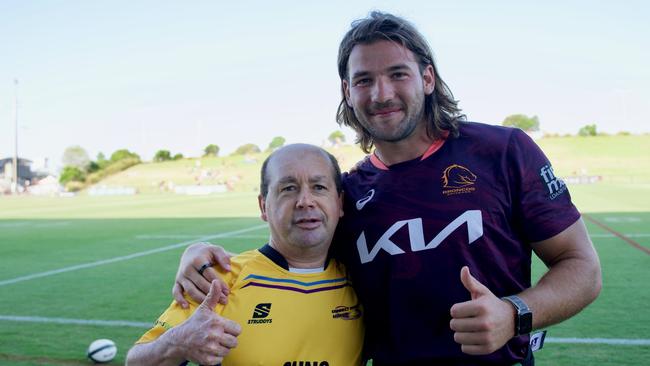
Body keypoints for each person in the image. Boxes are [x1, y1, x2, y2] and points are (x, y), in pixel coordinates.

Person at [173, 12, 602, 366]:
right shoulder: (347, 194)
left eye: (398, 74)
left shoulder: (503, 151)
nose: (381, 94)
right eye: (363, 80)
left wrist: (514, 313)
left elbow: (582, 267)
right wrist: (200, 253)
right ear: (347, 91)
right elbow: (290, 252)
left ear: (427, 78)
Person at [126, 144, 364, 365]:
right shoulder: (218, 280)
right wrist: (176, 343)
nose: (305, 201)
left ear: (339, 202)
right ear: (263, 206)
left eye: (319, 187)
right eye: (288, 188)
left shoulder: (364, 280)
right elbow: (135, 360)